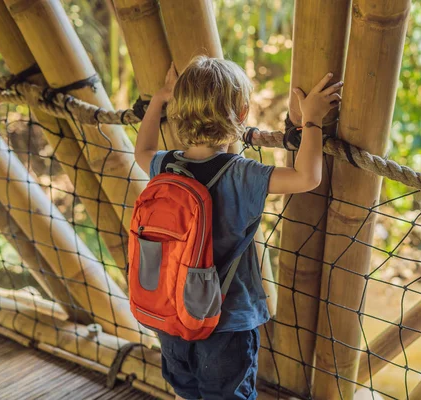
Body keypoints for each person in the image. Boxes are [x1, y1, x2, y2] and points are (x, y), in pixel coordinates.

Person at [134, 56, 342, 400]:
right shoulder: (242, 174)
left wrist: (159, 99)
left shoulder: (165, 166)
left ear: (178, 112)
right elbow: (308, 177)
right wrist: (313, 121)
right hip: (226, 324)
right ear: (242, 113)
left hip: (171, 316)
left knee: (186, 391)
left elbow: (142, 150)